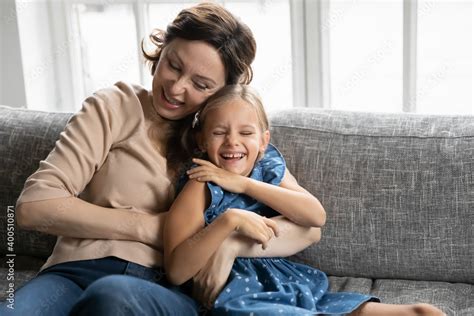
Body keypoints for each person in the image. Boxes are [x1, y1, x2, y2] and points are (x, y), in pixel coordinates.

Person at [0, 3, 322, 315]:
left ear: (223, 92)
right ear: (161, 50)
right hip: (73, 272)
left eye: (200, 84)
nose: (176, 87)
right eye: (174, 65)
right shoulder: (115, 107)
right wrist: (151, 227)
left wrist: (231, 243)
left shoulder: (229, 143)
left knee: (113, 295)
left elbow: (308, 226)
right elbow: (33, 207)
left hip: (169, 291)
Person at [163, 84, 445, 316]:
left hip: (285, 281)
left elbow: (315, 217)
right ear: (201, 140)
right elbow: (176, 271)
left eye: (246, 133)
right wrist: (229, 221)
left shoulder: (266, 167)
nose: (232, 142)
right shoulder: (200, 182)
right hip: (236, 293)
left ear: (263, 141)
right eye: (219, 132)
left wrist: (243, 184)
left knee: (424, 312)